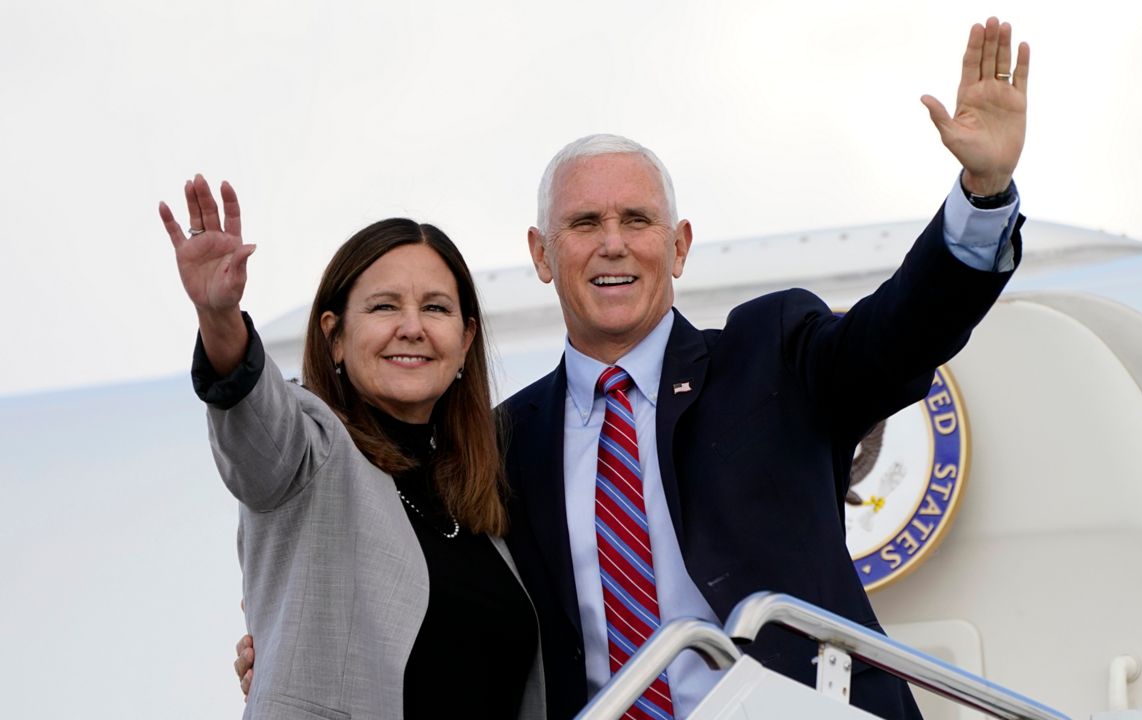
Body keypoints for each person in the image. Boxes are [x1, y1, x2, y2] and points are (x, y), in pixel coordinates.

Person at [240, 15, 1029, 719]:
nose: (612, 243)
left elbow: (898, 337)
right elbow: (432, 599)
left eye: (636, 220)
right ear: (542, 255)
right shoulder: (499, 447)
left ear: (679, 246)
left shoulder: (771, 355)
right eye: (584, 223)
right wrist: (283, 652)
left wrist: (981, 196)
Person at [162, 179, 544, 719]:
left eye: (435, 308)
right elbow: (258, 428)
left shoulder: (483, 494)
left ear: (465, 343)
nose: (411, 328)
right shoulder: (311, 453)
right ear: (334, 336)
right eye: (384, 307)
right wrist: (220, 317)